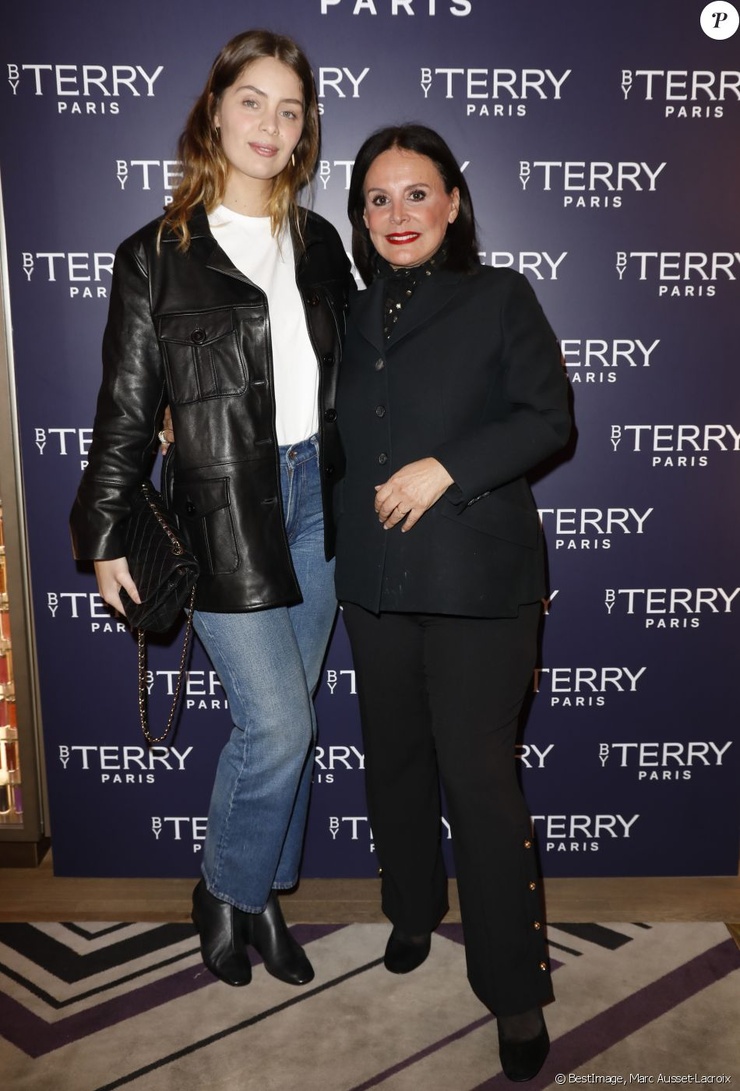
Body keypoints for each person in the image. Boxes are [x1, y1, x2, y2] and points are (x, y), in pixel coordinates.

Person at [69, 30, 353, 989]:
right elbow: (125, 407)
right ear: (215, 111)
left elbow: (362, 374)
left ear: (306, 128)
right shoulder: (155, 256)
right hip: (223, 508)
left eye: (290, 108)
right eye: (252, 101)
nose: (271, 124)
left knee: (292, 715)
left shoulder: (320, 244)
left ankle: (258, 895)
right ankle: (225, 890)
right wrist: (104, 529)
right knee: (279, 726)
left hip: (321, 502)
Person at [334, 124, 572, 1080]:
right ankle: (410, 910)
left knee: (478, 781)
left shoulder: (500, 295)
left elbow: (549, 417)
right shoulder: (344, 313)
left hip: (479, 581)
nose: (398, 213)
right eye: (378, 198)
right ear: (360, 216)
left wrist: (448, 466)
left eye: (417, 193)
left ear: (453, 203)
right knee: (393, 761)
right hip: (375, 583)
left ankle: (513, 988)